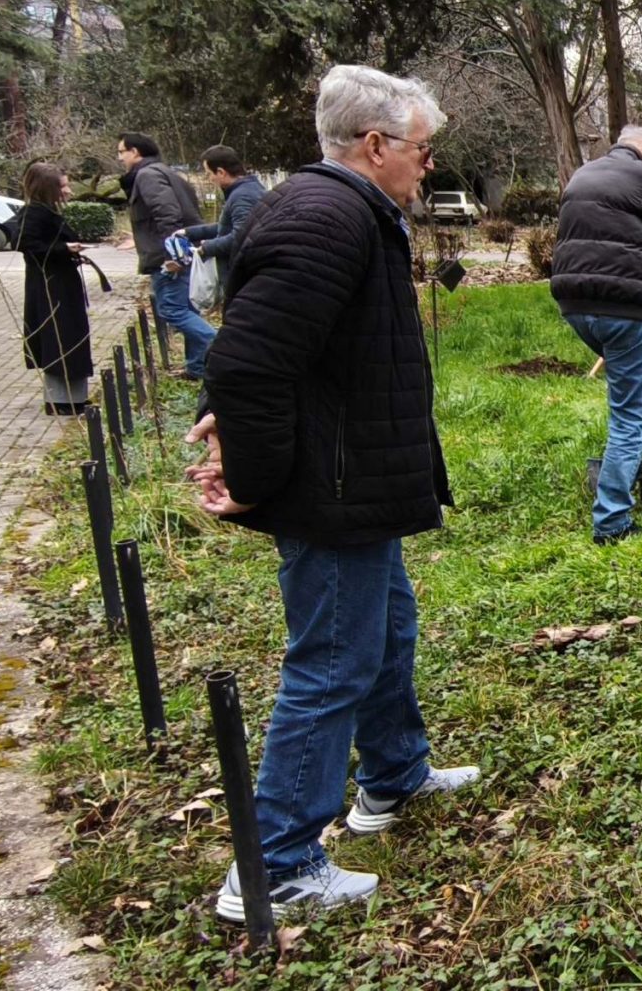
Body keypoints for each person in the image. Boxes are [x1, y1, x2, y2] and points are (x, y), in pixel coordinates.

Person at [184, 64, 479, 922]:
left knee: (388, 626)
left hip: (357, 478)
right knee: (333, 661)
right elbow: (245, 358)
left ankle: (394, 776)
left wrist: (227, 422)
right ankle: (274, 864)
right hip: (333, 488)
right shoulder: (327, 217)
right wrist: (253, 474)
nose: (429, 167)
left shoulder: (344, 210)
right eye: (422, 151)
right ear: (376, 145)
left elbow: (265, 334)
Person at [551, 125, 642, 544]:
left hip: (575, 305)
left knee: (623, 394)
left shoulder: (583, 174)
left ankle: (618, 466)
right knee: (630, 414)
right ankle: (612, 520)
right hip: (624, 309)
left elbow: (604, 243)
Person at [120, 133, 217, 379]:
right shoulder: (166, 172)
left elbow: (168, 214)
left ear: (135, 152)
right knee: (187, 308)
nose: (120, 157)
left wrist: (174, 254)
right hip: (181, 250)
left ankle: (222, 348)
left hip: (170, 257)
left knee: (172, 310)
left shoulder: (147, 175)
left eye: (122, 152)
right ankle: (197, 368)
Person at [12, 162, 92, 416]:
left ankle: (73, 398)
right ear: (48, 189)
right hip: (51, 288)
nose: (69, 191)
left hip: (60, 284)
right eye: (64, 186)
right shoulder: (34, 214)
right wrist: (64, 249)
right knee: (60, 341)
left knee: (70, 340)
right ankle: (61, 401)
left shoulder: (45, 212)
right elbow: (27, 245)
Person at [177, 145, 263, 311]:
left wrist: (206, 248)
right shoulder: (247, 190)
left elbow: (242, 235)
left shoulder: (242, 196)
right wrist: (189, 232)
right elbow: (229, 225)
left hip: (242, 278)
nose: (209, 179)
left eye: (209, 174)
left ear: (221, 172)